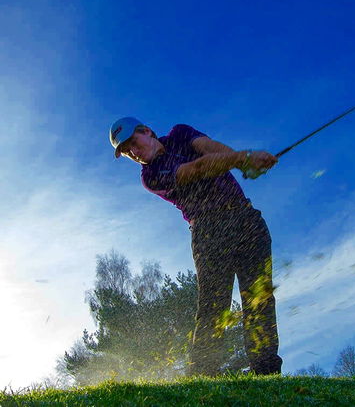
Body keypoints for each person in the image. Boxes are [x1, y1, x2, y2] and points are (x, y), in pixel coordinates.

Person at [109, 117, 283, 376]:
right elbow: (197, 170)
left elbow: (211, 149)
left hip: (246, 218)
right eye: (125, 152)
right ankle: (203, 376)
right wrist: (242, 159)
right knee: (214, 306)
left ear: (146, 131)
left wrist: (243, 160)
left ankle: (267, 373)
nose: (132, 153)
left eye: (132, 143)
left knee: (259, 297)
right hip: (208, 232)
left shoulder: (180, 133)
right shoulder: (151, 176)